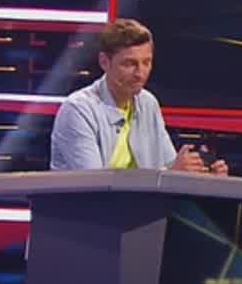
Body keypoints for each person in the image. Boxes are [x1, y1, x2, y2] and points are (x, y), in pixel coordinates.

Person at [50, 18, 227, 175]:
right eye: (129, 64)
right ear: (104, 62)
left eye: (146, 62)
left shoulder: (147, 103)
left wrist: (202, 176)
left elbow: (169, 167)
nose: (140, 73)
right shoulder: (78, 110)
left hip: (143, 202)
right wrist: (171, 174)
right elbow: (94, 185)